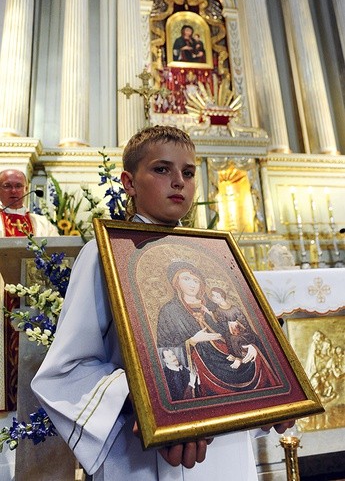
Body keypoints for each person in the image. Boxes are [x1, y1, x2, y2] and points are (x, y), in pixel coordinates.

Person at [31, 125, 293, 481]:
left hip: (227, 447)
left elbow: (240, 335)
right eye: (161, 169)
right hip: (145, 457)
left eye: (187, 172)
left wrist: (271, 397)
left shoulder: (215, 256)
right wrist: (154, 407)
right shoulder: (104, 255)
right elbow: (68, 369)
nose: (178, 181)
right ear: (129, 182)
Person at [157, 263, 280, 395]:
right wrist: (192, 341)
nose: (192, 284)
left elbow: (238, 330)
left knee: (255, 360)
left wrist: (250, 345)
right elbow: (163, 350)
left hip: (231, 353)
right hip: (202, 364)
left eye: (196, 281)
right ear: (176, 282)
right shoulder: (169, 311)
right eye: (186, 279)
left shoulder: (214, 306)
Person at [0, 168, 59, 237]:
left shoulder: (43, 224)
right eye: (7, 186)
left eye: (18, 186)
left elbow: (56, 246)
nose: (13, 191)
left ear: (26, 189)